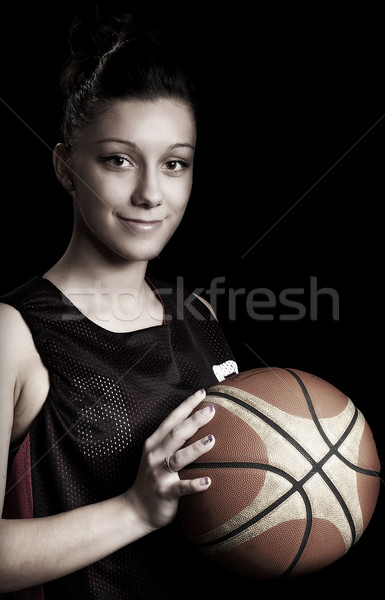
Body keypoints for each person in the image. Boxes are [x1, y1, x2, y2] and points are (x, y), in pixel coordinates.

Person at [0, 5, 239, 598]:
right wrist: (135, 509)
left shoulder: (197, 316)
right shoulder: (15, 334)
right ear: (65, 165)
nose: (150, 193)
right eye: (118, 159)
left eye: (175, 164)